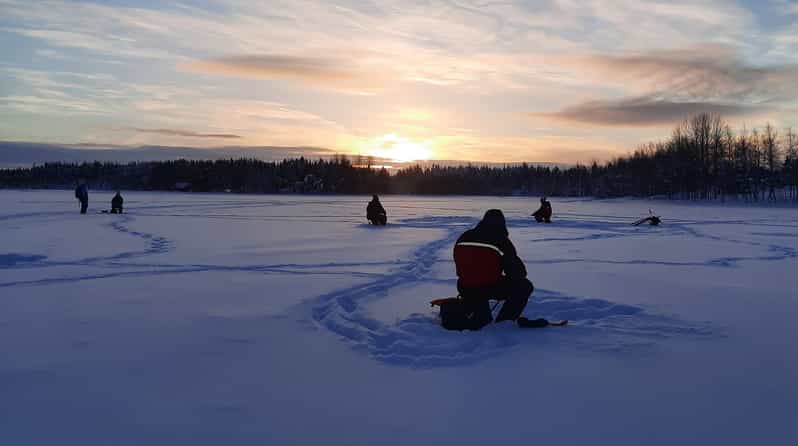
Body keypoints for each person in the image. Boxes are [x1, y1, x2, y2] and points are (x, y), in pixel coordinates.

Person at [453, 209, 545, 328]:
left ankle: (474, 306)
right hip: (489, 286)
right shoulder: (501, 240)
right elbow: (518, 273)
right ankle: (504, 321)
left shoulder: (465, 236)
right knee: (524, 286)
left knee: (479, 298)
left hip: (465, 287)